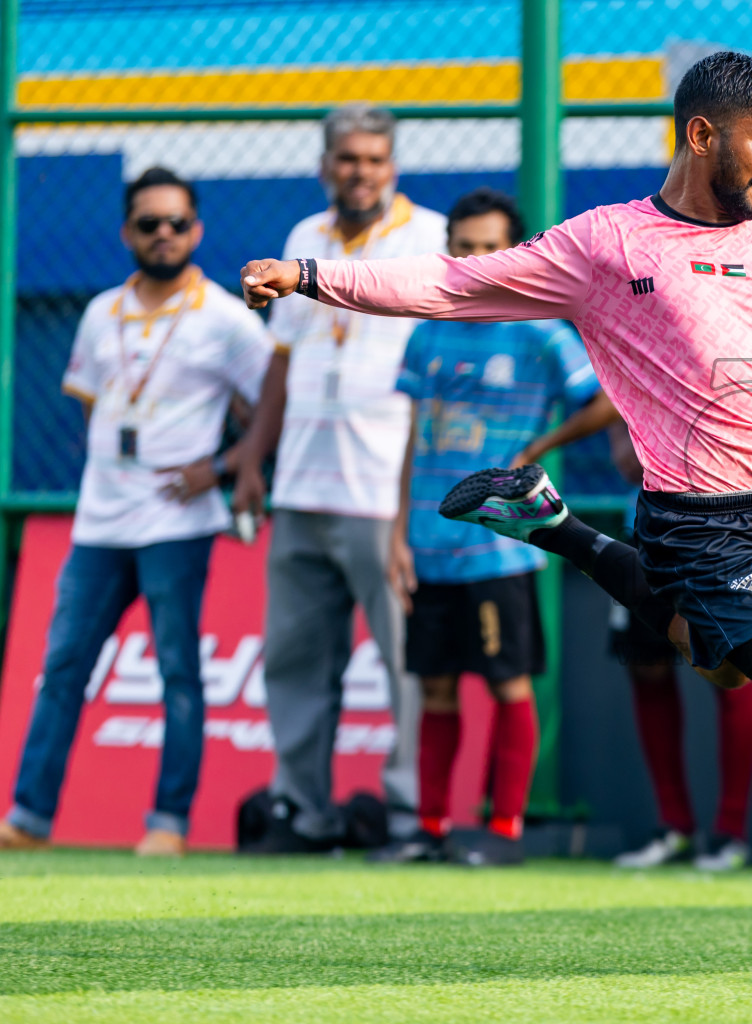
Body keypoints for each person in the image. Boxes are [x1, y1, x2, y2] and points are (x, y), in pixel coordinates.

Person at [242, 51, 752, 959]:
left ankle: (557, 527)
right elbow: (454, 286)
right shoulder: (606, 246)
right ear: (701, 135)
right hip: (700, 526)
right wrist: (313, 275)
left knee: (717, 665)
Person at [0, 167, 273, 856]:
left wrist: (219, 467)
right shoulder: (99, 312)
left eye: (176, 222)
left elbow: (271, 402)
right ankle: (29, 817)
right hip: (99, 522)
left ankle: (168, 824)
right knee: (62, 667)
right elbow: (96, 403)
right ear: (127, 232)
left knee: (178, 669)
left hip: (177, 525)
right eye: (149, 223)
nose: (163, 234)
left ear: (197, 230)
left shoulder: (224, 317)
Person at [371, 187, 608, 866]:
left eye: (489, 247)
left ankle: (504, 830)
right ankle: (432, 828)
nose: (474, 259)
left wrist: (535, 451)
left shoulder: (541, 331)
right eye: (463, 246)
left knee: (508, 683)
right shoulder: (426, 328)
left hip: (501, 547)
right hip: (427, 541)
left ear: (515, 253)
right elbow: (416, 437)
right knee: (435, 685)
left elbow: (603, 403)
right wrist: (396, 531)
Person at [233, 104, 447, 852]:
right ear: (326, 165)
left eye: (374, 159)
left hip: (382, 488)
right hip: (300, 484)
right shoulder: (301, 239)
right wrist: (255, 459)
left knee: (403, 662)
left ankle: (406, 813)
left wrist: (420, 502)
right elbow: (282, 361)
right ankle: (302, 808)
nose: (360, 172)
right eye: (347, 159)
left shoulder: (431, 237)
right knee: (295, 659)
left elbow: (446, 370)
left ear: (393, 167)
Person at [601, 426, 752, 871]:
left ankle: (732, 834)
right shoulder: (634, 356)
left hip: (726, 529)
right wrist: (624, 435)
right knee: (647, 667)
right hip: (644, 530)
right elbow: (628, 448)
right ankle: (675, 827)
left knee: (732, 671)